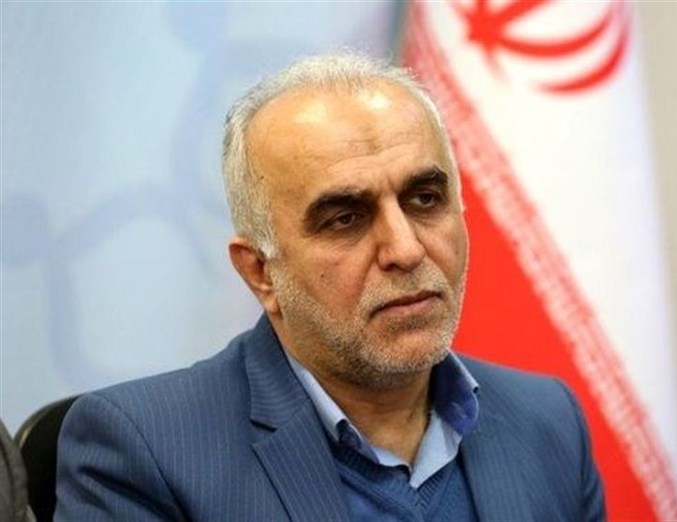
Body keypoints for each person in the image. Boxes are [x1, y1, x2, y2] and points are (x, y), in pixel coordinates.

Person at [55, 53, 605, 521]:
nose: (406, 250)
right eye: (345, 219)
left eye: (424, 200)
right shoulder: (144, 450)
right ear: (260, 272)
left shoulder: (547, 420)